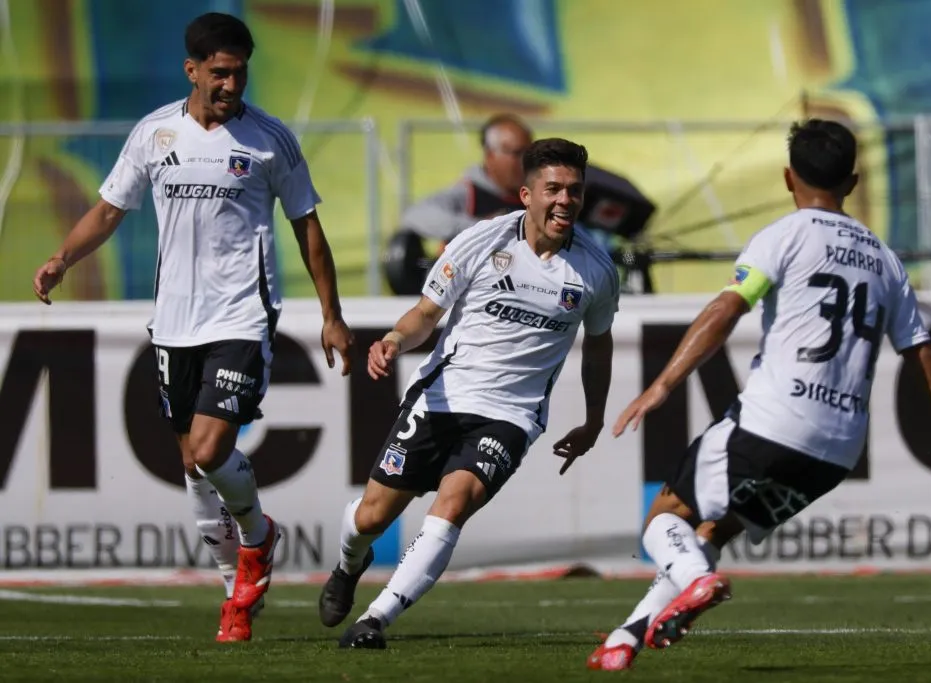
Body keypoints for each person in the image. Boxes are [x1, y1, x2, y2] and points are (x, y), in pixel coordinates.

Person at [587, 119, 931, 671]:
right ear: (852, 180)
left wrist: (662, 385)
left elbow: (728, 307)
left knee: (664, 520)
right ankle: (625, 639)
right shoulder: (886, 260)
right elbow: (924, 354)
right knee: (713, 531)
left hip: (773, 421)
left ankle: (699, 582)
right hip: (838, 449)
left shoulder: (785, 235)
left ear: (786, 177)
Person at [31, 12, 355, 643]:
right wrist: (62, 258)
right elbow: (108, 208)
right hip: (174, 321)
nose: (232, 84)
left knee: (210, 451)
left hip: (241, 315)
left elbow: (306, 226)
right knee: (189, 463)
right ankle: (234, 593)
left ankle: (258, 540)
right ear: (193, 70)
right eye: (220, 73)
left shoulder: (270, 141)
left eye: (239, 72)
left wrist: (332, 316)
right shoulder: (155, 133)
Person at [318, 137, 621, 649]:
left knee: (453, 503)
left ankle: (375, 619)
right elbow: (425, 316)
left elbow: (598, 346)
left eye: (574, 191)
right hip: (444, 397)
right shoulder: (479, 242)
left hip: (512, 416)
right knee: (372, 516)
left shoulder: (595, 270)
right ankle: (350, 564)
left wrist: (594, 420)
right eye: (554, 189)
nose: (565, 201)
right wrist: (393, 339)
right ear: (527, 194)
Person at [400, 113, 533, 242]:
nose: (525, 161)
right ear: (490, 155)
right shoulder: (469, 193)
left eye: (530, 152)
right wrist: (483, 228)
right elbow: (416, 214)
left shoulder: (536, 192)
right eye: (517, 153)